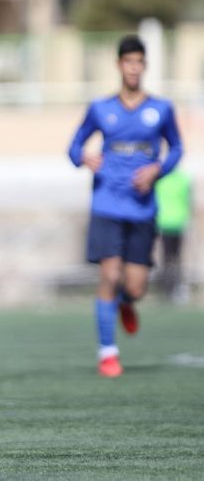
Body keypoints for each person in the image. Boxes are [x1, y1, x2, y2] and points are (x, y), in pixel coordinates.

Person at [68, 35, 183, 378]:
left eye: (139, 62)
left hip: (142, 208)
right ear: (119, 65)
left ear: (144, 66)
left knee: (135, 287)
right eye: (128, 61)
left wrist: (157, 169)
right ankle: (108, 352)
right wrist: (83, 157)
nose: (134, 68)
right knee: (109, 274)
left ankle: (125, 303)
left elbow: (177, 148)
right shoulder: (100, 108)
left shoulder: (160, 109)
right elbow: (73, 147)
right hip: (107, 203)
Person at [155, 168, 193, 303]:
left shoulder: (161, 179)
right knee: (175, 257)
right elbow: (188, 200)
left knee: (167, 257)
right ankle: (173, 286)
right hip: (178, 222)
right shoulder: (183, 179)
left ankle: (168, 287)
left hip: (164, 223)